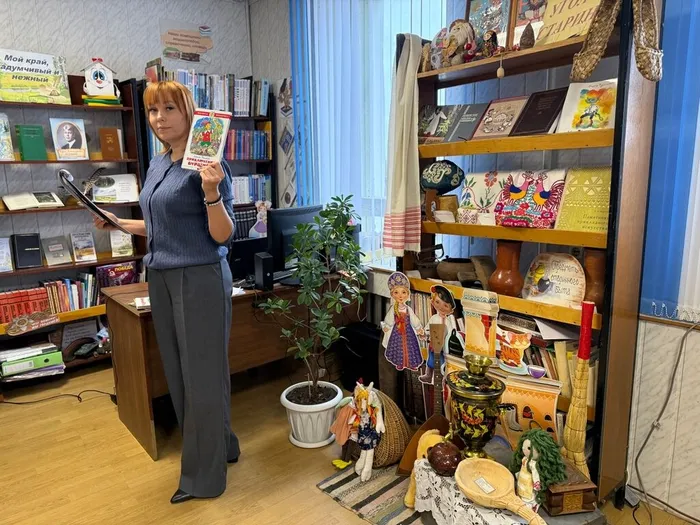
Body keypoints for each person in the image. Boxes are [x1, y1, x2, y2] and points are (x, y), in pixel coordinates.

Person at [93, 81, 239, 504]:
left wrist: (211, 193)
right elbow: (162, 223)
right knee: (181, 373)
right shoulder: (159, 163)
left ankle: (203, 479)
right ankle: (223, 446)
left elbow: (222, 234)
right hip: (160, 275)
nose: (159, 118)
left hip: (199, 277)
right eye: (153, 111)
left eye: (169, 108)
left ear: (189, 112)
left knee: (202, 377)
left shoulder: (208, 165)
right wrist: (120, 223)